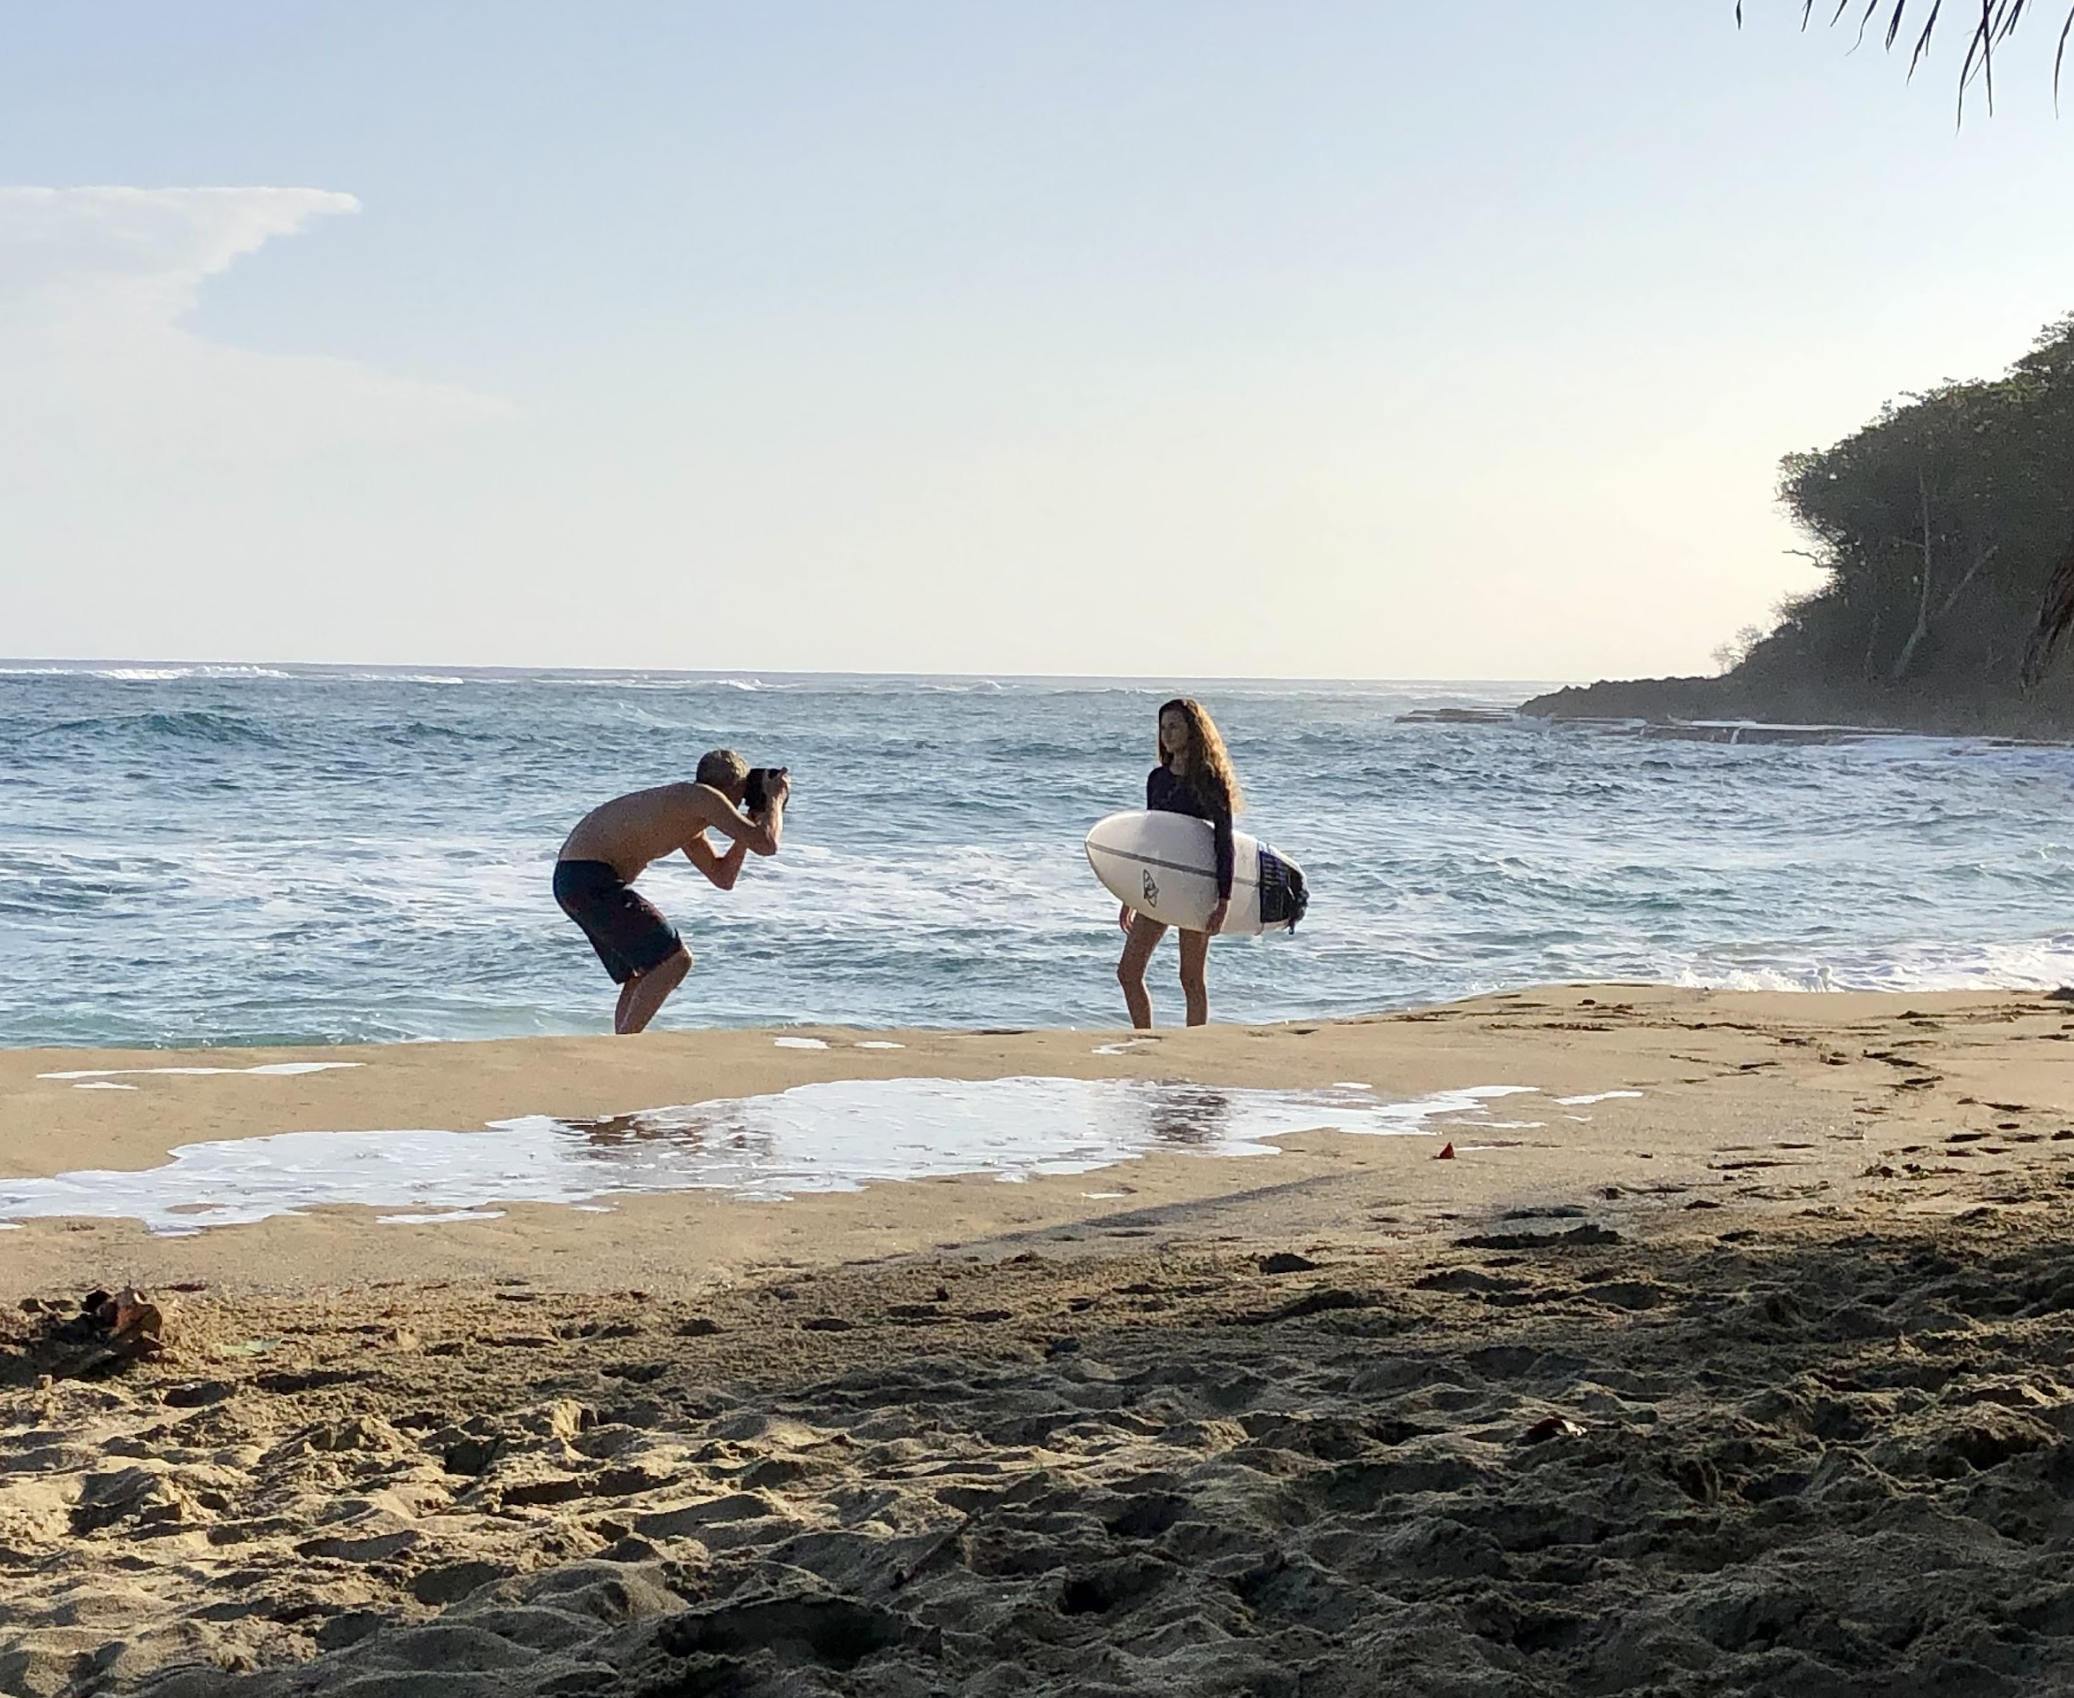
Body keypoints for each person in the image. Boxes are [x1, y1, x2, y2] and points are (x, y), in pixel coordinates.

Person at [553, 751, 789, 1034]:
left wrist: (752, 821)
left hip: (571, 880)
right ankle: (628, 1043)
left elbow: (722, 876)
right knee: (676, 961)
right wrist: (775, 799)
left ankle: (620, 1042)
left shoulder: (686, 811)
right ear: (733, 785)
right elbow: (767, 845)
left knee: (645, 971)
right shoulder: (703, 796)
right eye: (744, 788)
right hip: (590, 877)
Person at [1116, 697, 1243, 1029]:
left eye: (1175, 726)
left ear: (1193, 731)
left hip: (1197, 888)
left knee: (1191, 977)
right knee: (1128, 972)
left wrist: (1223, 900)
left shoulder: (1211, 782)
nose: (1167, 734)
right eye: (1163, 727)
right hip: (1159, 885)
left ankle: (1195, 1045)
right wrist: (1130, 893)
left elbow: (1223, 844)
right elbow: (1150, 839)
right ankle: (1145, 1039)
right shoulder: (1157, 779)